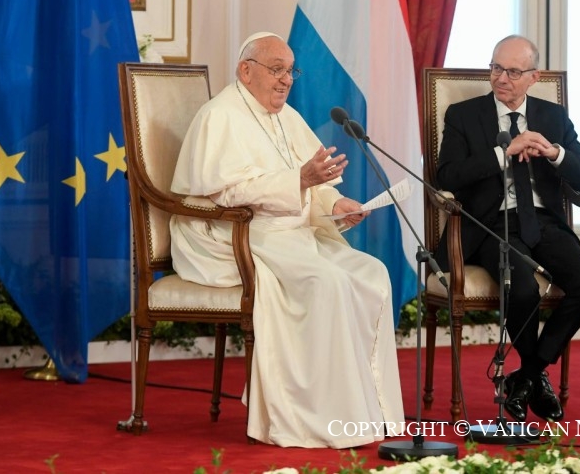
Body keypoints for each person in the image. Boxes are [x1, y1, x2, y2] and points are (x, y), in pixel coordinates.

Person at [169, 32, 405, 448]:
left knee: (371, 273)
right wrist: (298, 181)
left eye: (290, 71)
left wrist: (334, 203)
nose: (286, 80)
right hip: (233, 232)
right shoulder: (220, 116)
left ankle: (369, 410)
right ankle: (308, 417)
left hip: (290, 230)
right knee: (325, 282)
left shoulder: (286, 117)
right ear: (246, 70)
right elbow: (225, 193)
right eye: (276, 69)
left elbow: (311, 187)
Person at [435, 35, 580, 423]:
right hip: (490, 224)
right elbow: (447, 175)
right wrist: (501, 154)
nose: (501, 78)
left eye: (512, 71)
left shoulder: (553, 118)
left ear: (534, 77)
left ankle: (527, 376)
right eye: (495, 68)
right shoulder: (464, 115)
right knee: (521, 287)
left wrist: (554, 152)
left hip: (543, 222)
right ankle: (536, 378)